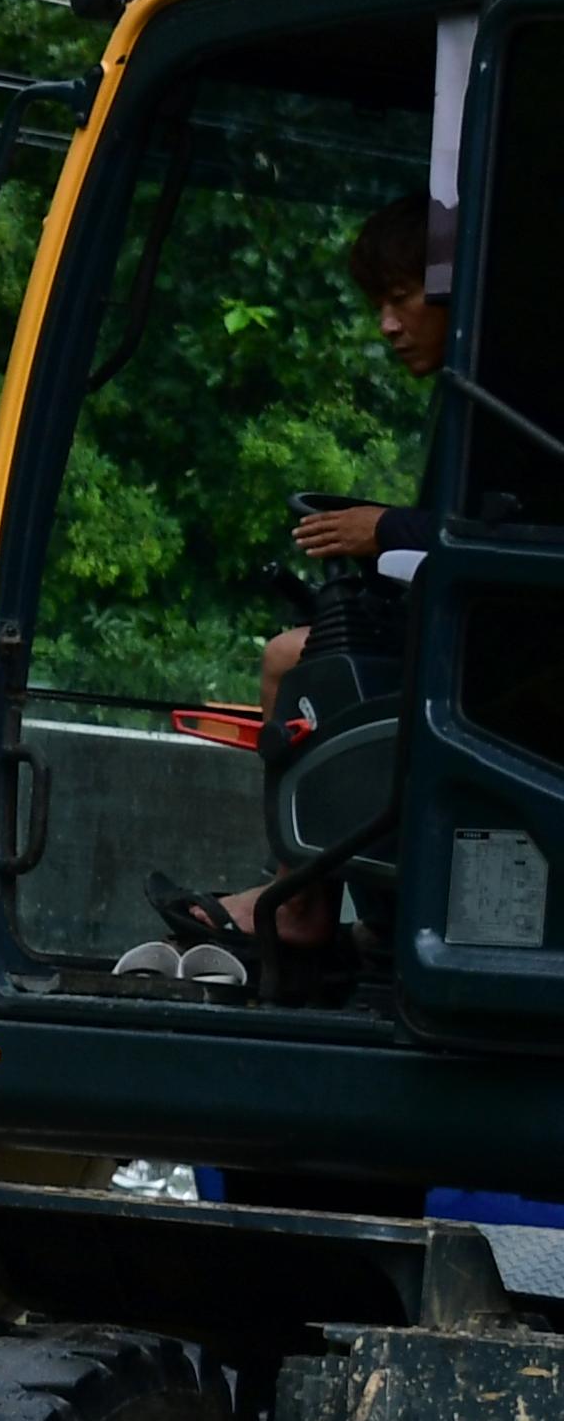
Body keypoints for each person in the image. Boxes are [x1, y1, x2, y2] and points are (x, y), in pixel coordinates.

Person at [166, 195, 447, 960]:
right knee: (292, 652)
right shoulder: (465, 405)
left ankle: (301, 904)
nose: (387, 325)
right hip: (462, 632)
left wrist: (382, 527)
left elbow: (505, 535)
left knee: (295, 660)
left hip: (493, 667)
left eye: (401, 299)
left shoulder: (502, 404)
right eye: (378, 305)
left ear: (454, 287)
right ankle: (332, 902)